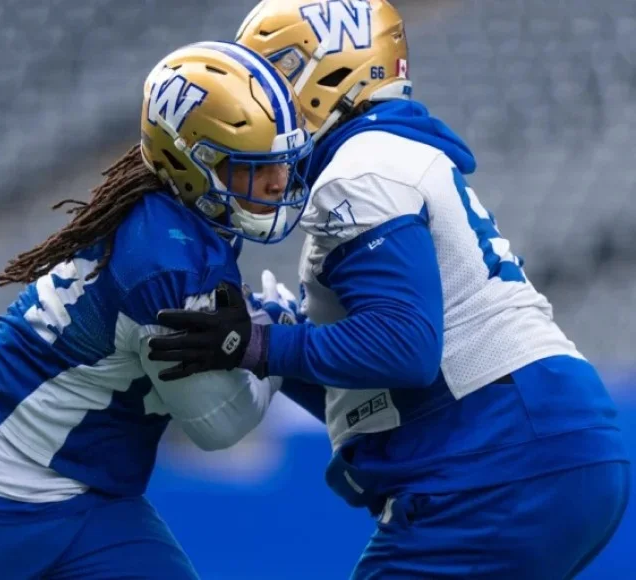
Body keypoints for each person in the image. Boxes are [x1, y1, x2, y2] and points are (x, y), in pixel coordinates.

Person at [147, 2, 631, 578]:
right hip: (535, 439)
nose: (260, 100)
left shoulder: (360, 171)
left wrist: (254, 346)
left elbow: (406, 347)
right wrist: (273, 351)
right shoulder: (387, 156)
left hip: (498, 452)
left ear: (325, 75)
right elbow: (382, 380)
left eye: (273, 74)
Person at [0, 40, 313, 580]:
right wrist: (274, 338)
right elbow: (221, 422)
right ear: (195, 163)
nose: (280, 182)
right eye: (253, 166)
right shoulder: (168, 262)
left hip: (81, 495)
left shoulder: (172, 222)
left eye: (281, 162)